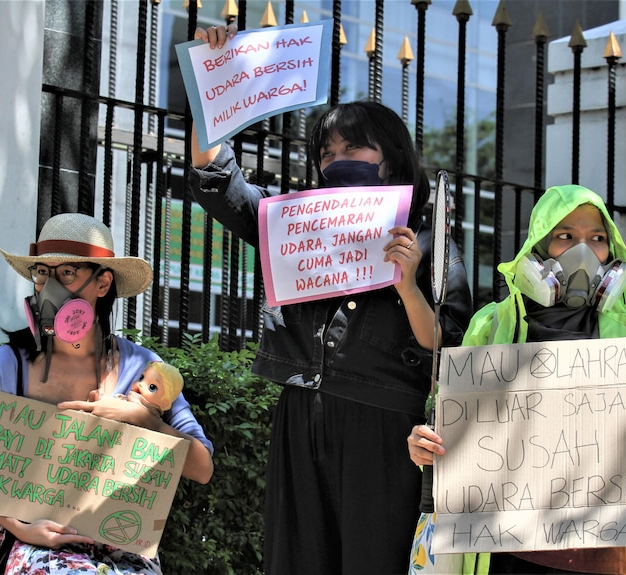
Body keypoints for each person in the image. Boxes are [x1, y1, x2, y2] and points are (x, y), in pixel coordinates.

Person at [186, 25, 473, 575]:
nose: (337, 158)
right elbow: (220, 184)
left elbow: (449, 346)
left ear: (391, 156)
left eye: (354, 146)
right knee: (297, 557)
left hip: (385, 425)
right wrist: (212, 78)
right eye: (327, 150)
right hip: (303, 410)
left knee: (375, 559)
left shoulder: (430, 239)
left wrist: (407, 286)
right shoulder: (296, 224)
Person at [407, 184, 626, 575]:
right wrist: (426, 447)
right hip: (504, 556)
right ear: (538, 249)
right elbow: (453, 438)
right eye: (565, 236)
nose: (584, 250)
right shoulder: (490, 326)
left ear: (612, 253)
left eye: (597, 238)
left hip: (601, 556)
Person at [0, 212, 214, 575]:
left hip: (122, 549)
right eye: (42, 273)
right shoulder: (8, 363)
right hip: (32, 545)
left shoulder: (142, 370)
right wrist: (22, 528)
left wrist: (142, 419)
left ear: (103, 283)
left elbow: (202, 468)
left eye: (67, 274)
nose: (49, 289)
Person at [120, 361, 184, 415]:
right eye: (141, 378)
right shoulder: (126, 398)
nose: (140, 384)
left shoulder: (150, 416)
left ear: (164, 403)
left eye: (152, 387)